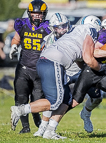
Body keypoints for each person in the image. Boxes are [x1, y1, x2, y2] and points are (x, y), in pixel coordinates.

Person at [10, 12, 106, 140]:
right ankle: (20, 110)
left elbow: (78, 56)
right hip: (53, 63)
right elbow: (88, 58)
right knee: (54, 101)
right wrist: (101, 68)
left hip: (51, 62)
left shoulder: (74, 32)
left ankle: (50, 131)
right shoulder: (91, 31)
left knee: (66, 99)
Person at [33, 13, 102, 136]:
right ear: (52, 28)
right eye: (58, 27)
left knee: (96, 96)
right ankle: (43, 128)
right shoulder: (49, 39)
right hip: (62, 70)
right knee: (55, 99)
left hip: (80, 70)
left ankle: (85, 115)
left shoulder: (75, 32)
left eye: (64, 25)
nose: (62, 29)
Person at [9, 0, 51, 134]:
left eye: (40, 14)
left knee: (38, 99)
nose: (37, 16)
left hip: (40, 70)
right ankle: (25, 127)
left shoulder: (48, 28)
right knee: (21, 97)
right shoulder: (23, 24)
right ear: (30, 13)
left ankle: (37, 119)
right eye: (35, 13)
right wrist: (14, 46)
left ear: (44, 14)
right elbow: (17, 38)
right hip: (24, 67)